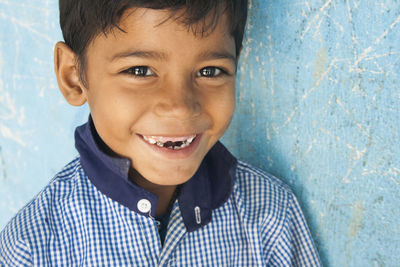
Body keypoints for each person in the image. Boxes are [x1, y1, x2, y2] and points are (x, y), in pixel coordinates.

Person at [0, 0, 321, 266]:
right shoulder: (35, 247)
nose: (180, 106)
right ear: (73, 76)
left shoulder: (270, 214)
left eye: (210, 71)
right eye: (140, 71)